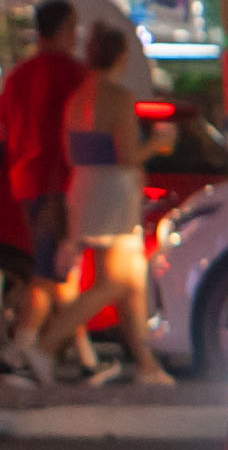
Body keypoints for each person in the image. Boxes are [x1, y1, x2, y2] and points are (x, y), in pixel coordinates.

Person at [24, 21, 166, 384]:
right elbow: (129, 155)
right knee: (118, 282)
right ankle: (45, 346)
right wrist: (159, 143)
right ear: (121, 57)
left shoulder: (77, 98)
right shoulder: (118, 97)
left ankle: (147, 365)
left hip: (85, 189)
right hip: (115, 194)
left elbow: (71, 152)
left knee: (128, 280)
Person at [4, 0, 85, 386]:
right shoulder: (71, 74)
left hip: (21, 183)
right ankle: (22, 348)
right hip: (56, 186)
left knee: (56, 271)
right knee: (48, 272)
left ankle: (83, 355)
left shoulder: (18, 76)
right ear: (64, 29)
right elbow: (64, 137)